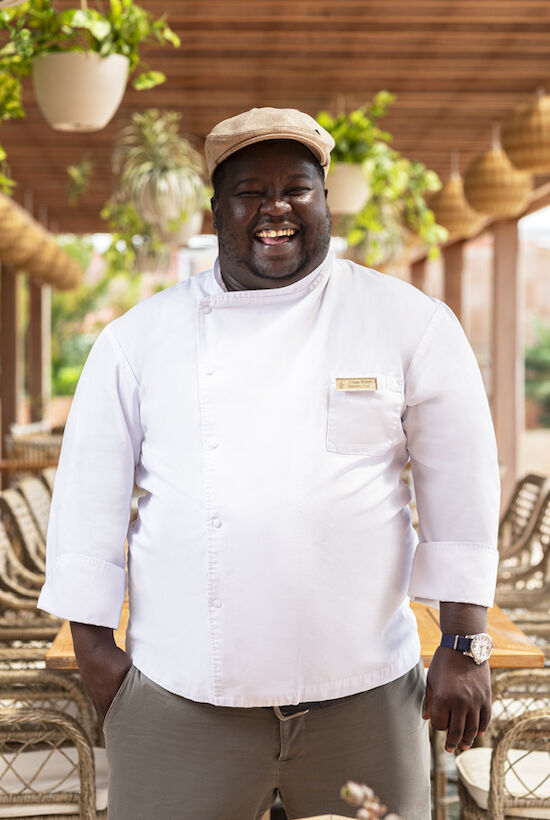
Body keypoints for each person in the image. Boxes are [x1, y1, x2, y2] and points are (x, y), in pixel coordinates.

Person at [38, 107, 500, 820]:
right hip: (180, 699)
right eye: (250, 192)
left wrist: (466, 644)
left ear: (324, 201)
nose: (275, 209)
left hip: (366, 696)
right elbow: (85, 512)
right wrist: (103, 666)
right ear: (216, 210)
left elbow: (460, 489)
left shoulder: (408, 322)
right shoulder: (138, 340)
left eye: (297, 188)